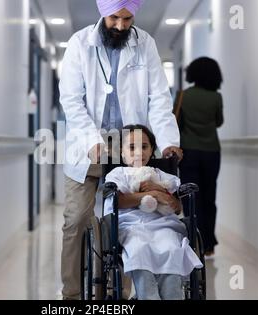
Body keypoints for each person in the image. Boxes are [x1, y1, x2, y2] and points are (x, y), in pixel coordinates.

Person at [59, 0, 183, 299]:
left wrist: (167, 141)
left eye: (127, 19)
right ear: (103, 12)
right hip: (89, 144)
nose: (120, 25)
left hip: (131, 146)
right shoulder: (80, 43)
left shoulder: (145, 44)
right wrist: (91, 140)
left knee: (127, 217)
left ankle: (120, 292)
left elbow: (159, 98)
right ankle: (72, 296)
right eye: (115, 17)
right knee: (76, 220)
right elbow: (71, 99)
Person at [105, 125, 203, 300]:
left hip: (163, 225)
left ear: (151, 151)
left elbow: (176, 207)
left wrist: (160, 191)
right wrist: (151, 194)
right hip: (131, 226)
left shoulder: (161, 175)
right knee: (139, 249)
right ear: (122, 152)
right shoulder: (117, 174)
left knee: (172, 249)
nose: (138, 153)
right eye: (132, 147)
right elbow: (119, 201)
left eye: (144, 147)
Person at [177, 57, 224, 258]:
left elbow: (176, 122)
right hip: (212, 151)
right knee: (209, 196)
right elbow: (219, 122)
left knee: (190, 196)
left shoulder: (183, 96)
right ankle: (209, 244)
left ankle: (195, 239)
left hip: (188, 152)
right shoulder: (216, 97)